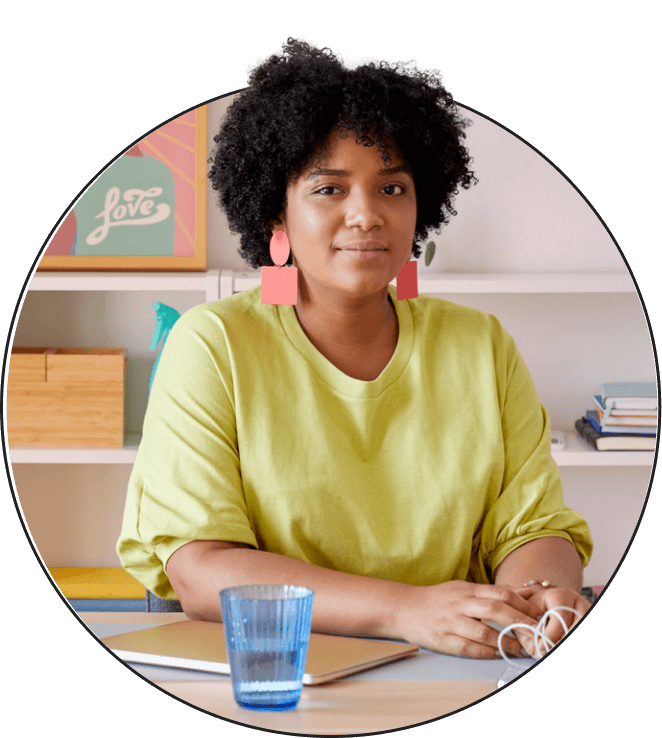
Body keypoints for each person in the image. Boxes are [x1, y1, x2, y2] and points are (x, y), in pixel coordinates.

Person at [117, 38, 593, 660]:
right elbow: (201, 572)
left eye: (392, 189)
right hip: (276, 667)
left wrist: (540, 597)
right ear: (276, 217)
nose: (367, 215)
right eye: (329, 189)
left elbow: (534, 528)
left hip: (452, 664)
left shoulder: (480, 344)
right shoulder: (213, 345)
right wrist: (406, 609)